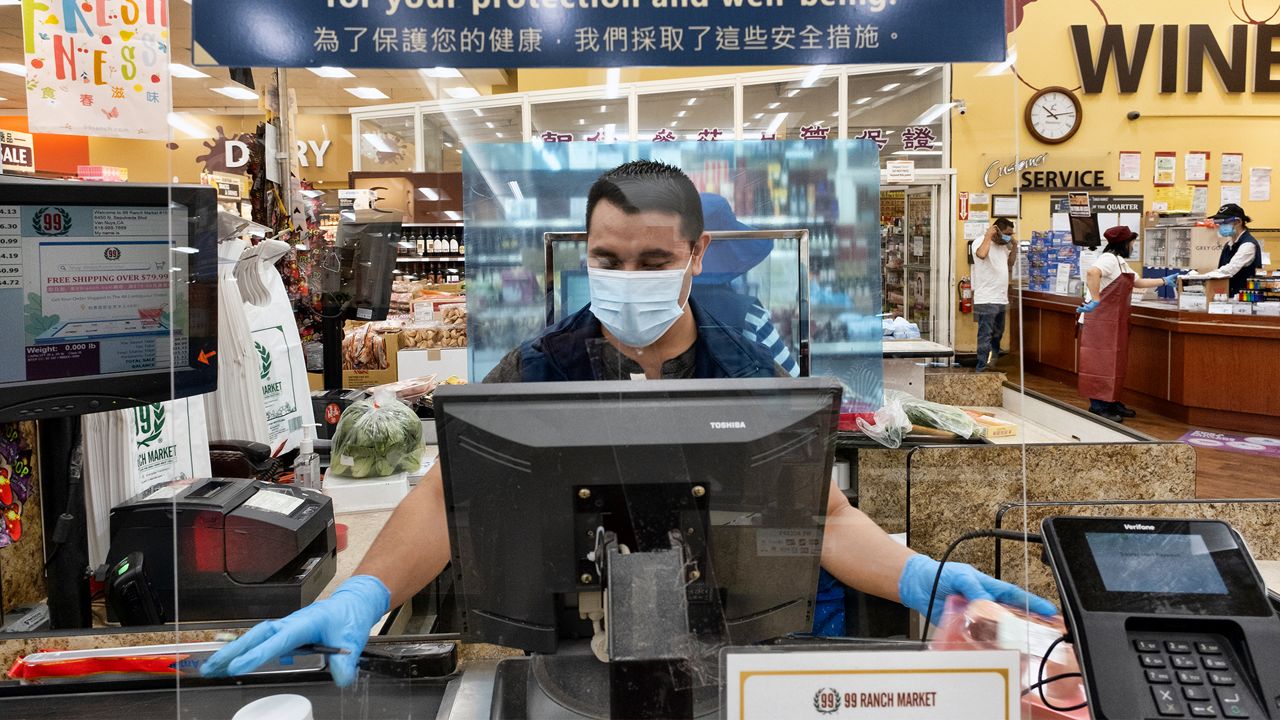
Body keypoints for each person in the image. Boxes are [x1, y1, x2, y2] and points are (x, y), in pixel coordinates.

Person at [202, 160, 1056, 686]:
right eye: (609, 261)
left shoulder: (750, 363)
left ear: (697, 256)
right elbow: (448, 496)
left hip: (747, 651)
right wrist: (365, 592)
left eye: (654, 261)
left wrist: (921, 581)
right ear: (586, 254)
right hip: (581, 656)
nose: (628, 278)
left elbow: (820, 514)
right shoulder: (542, 363)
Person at [1077, 226, 1178, 422]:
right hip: (1098, 320)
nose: (1133, 246)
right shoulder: (1108, 259)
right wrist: (1096, 299)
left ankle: (1111, 401)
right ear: (1124, 243)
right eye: (1132, 242)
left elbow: (1137, 282)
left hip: (1113, 322)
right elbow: (1092, 272)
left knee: (1115, 362)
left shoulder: (1120, 262)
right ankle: (1098, 406)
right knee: (1100, 364)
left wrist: (1164, 281)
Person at [971, 218, 1017, 372]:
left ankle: (992, 364)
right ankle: (981, 367)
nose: (1008, 237)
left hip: (1001, 298)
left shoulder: (1003, 246)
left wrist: (1014, 245)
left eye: (1011, 234)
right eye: (1006, 234)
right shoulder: (980, 242)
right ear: (996, 230)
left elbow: (1010, 263)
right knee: (986, 334)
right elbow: (981, 255)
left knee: (998, 334)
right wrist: (988, 236)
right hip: (986, 298)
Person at [1209, 203, 1263, 298]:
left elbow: (1230, 269)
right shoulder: (1228, 244)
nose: (1221, 226)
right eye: (1219, 223)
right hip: (1227, 296)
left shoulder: (1248, 245)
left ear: (1238, 222)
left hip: (1243, 299)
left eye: (1224, 222)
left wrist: (1202, 277)